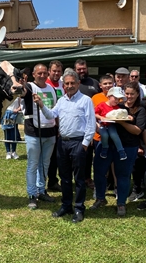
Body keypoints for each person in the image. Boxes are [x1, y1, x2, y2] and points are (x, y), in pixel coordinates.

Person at [33, 68, 96, 223]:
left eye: (72, 83)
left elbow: (91, 123)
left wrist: (85, 144)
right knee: (65, 177)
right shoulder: (61, 100)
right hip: (63, 143)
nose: (69, 86)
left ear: (78, 83)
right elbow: (51, 115)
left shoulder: (85, 100)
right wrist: (41, 104)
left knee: (79, 179)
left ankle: (79, 208)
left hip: (78, 143)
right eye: (66, 83)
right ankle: (66, 205)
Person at [91, 82, 146, 216]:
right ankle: (100, 198)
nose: (129, 96)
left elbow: (137, 131)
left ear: (137, 94)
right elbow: (101, 117)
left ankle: (121, 203)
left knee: (123, 174)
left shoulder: (140, 109)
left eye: (132, 94)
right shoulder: (117, 106)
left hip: (127, 146)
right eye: (126, 93)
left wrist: (121, 121)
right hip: (107, 143)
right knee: (99, 171)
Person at [23, 64, 58, 209]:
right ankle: (32, 194)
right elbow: (20, 90)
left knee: (45, 164)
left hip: (50, 132)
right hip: (33, 132)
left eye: (45, 73)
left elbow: (56, 110)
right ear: (33, 74)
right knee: (33, 164)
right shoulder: (29, 87)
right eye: (39, 73)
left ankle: (41, 190)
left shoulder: (52, 89)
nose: (42, 76)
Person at [74, 59, 101, 190]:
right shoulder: (74, 84)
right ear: (75, 70)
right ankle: (77, 179)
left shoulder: (94, 83)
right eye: (79, 69)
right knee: (77, 155)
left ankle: (88, 178)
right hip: (76, 125)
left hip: (92, 124)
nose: (81, 71)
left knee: (89, 154)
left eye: (83, 68)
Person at [45, 60, 64, 192]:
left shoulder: (63, 85)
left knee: (57, 156)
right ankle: (42, 184)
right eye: (54, 71)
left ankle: (53, 181)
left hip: (60, 126)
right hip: (46, 125)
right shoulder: (44, 84)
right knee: (46, 157)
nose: (56, 73)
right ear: (49, 71)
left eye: (58, 71)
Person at [95, 87, 127, 160]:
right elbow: (95, 113)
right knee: (104, 135)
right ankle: (104, 148)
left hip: (111, 124)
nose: (117, 101)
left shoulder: (117, 107)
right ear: (109, 96)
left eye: (119, 99)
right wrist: (100, 117)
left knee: (114, 135)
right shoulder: (102, 105)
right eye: (115, 98)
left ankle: (121, 150)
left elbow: (120, 115)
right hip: (102, 124)